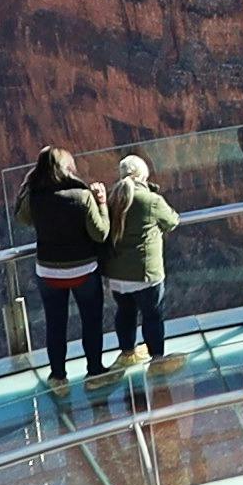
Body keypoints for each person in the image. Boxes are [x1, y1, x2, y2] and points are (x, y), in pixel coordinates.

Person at [17, 147, 113, 389]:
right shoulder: (82, 196)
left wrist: (28, 182)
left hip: (49, 272)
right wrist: (101, 204)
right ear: (68, 169)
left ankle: (58, 378)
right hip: (83, 270)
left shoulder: (35, 198)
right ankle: (94, 373)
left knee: (55, 324)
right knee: (91, 322)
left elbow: (22, 217)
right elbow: (100, 233)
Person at [103, 153, 181, 374]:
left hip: (117, 276)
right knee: (152, 315)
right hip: (145, 274)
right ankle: (157, 360)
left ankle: (128, 354)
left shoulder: (111, 199)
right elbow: (172, 220)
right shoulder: (150, 200)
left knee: (125, 313)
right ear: (143, 176)